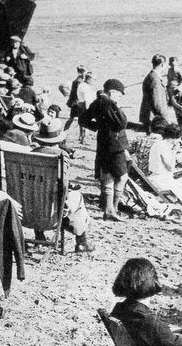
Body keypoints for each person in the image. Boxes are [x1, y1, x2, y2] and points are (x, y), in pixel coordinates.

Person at [31, 118, 94, 252]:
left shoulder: (30, 155)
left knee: (37, 192)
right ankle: (81, 241)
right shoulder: (61, 155)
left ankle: (39, 236)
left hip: (31, 209)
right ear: (58, 139)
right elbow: (64, 186)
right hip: (54, 211)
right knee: (77, 197)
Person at [82, 78, 130, 221]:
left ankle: (109, 209)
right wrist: (118, 105)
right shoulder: (110, 103)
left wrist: (97, 127)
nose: (119, 97)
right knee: (122, 177)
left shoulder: (97, 102)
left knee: (108, 175)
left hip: (103, 143)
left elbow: (83, 120)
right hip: (115, 146)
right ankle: (112, 209)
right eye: (119, 95)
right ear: (112, 92)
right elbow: (122, 123)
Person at [147, 122, 182, 210]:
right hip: (160, 180)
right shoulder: (163, 146)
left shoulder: (159, 144)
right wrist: (174, 151)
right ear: (175, 137)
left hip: (157, 176)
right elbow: (170, 167)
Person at [139, 54, 168, 131]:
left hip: (149, 115)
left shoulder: (151, 76)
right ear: (162, 64)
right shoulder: (155, 79)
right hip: (154, 117)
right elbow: (157, 101)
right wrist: (163, 117)